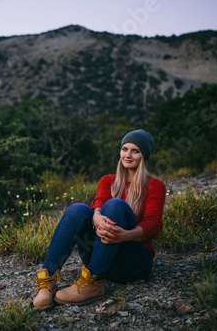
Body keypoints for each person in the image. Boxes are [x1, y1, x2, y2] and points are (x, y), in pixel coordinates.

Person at [33, 129, 166, 310]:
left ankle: (93, 283)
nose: (127, 155)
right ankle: (48, 279)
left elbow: (154, 224)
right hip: (102, 257)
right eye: (124, 149)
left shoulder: (155, 186)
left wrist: (125, 235)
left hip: (133, 263)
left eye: (135, 151)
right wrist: (96, 217)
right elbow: (99, 203)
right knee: (78, 209)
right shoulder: (108, 180)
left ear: (144, 155)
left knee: (115, 205)